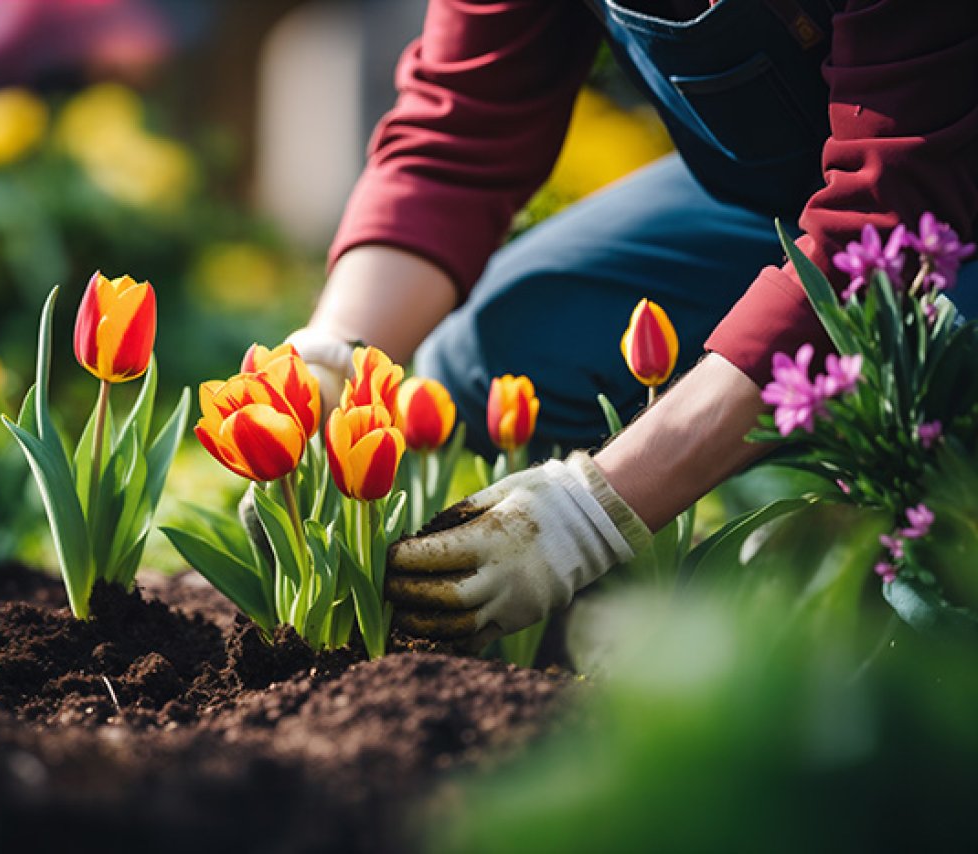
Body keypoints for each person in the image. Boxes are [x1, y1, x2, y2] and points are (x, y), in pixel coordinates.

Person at [278, 0, 978, 645]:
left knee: (938, 476)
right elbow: (461, 126)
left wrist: (594, 511)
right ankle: (605, 641)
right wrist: (330, 361)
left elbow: (890, 216)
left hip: (936, 212)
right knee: (495, 353)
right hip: (783, 199)